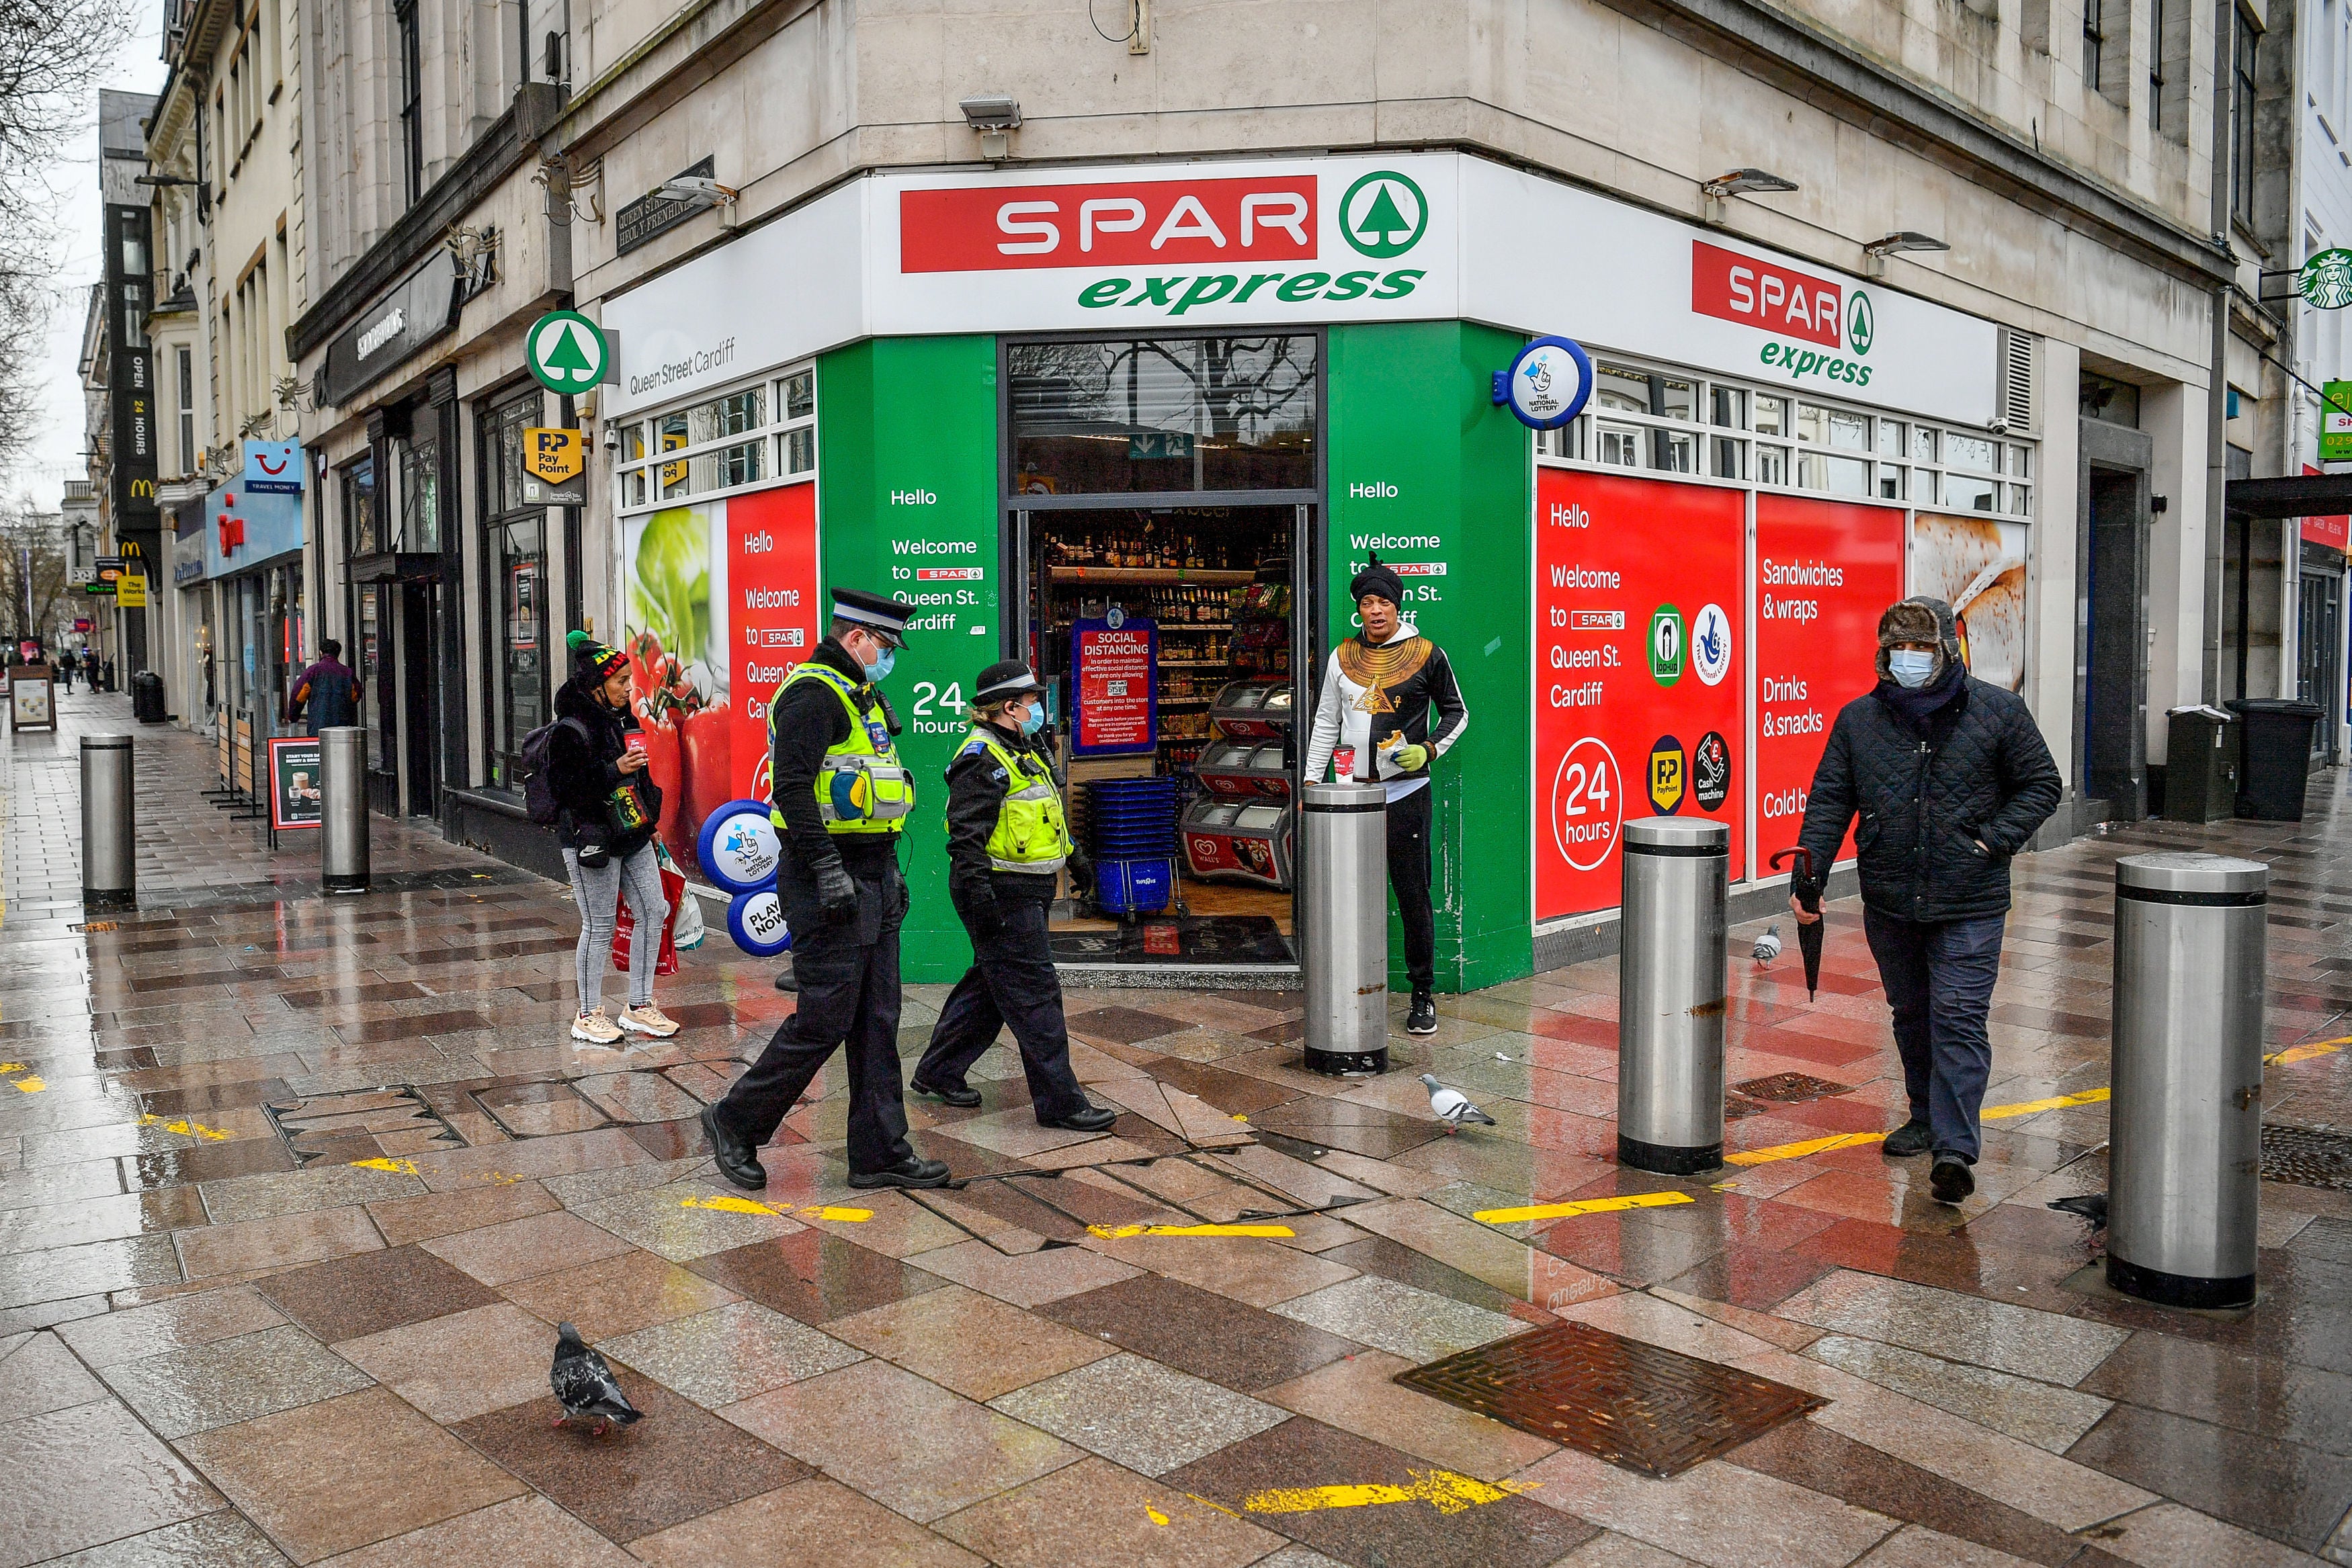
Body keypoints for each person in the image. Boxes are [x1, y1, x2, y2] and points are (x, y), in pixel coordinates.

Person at [1790, 597, 2060, 1205]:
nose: (1907, 659)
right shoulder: (1859, 720)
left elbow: (2042, 784)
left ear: (1947, 652)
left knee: (1958, 1017)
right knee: (1911, 1013)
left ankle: (1955, 1150)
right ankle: (1923, 1116)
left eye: (1920, 648)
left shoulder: (1999, 712)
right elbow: (1831, 799)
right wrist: (1809, 879)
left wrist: (1992, 840)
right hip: (1890, 896)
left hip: (1970, 897)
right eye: (1897, 648)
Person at [701, 588, 949, 1192]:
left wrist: (888, 873)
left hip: (871, 873)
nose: (890, 658)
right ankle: (734, 1120)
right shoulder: (813, 695)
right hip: (826, 880)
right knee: (824, 1020)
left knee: (878, 1019)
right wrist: (827, 867)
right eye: (886, 646)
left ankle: (880, 1152)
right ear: (856, 638)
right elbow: (790, 788)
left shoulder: (860, 695)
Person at [909, 662, 1116, 1130]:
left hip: (1026, 889)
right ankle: (1061, 1104)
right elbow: (966, 840)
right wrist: (982, 898)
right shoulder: (981, 758)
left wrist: (1075, 857)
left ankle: (939, 1071)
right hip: (1001, 892)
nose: (1038, 708)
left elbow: (1046, 816)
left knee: (992, 984)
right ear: (1009, 707)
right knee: (1036, 994)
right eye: (1032, 701)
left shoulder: (1025, 747)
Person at [1301, 554, 1470, 1037]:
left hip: (1405, 794)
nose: (1375, 611)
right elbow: (1326, 722)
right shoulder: (1341, 658)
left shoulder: (1428, 654)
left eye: (1383, 602)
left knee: (1412, 894)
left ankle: (1422, 994)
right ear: (1359, 609)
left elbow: (1457, 713)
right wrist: (1312, 783)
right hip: (1351, 798)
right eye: (1367, 603)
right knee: (1347, 895)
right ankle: (1349, 985)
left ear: (1398, 606)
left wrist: (1429, 749)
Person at [549, 630, 679, 1045]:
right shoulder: (570, 729)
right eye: (621, 681)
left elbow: (641, 779)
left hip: (632, 832)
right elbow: (565, 790)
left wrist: (650, 823)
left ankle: (639, 1005)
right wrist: (614, 770)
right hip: (591, 837)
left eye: (629, 680)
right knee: (599, 924)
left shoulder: (627, 721)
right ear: (597, 685)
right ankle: (587, 1014)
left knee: (654, 911)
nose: (629, 689)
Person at [285, 640, 360, 734]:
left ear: (321, 653)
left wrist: (293, 716)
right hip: (343, 726)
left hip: (318, 725)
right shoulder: (347, 672)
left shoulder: (313, 671)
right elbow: (356, 694)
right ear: (338, 654)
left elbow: (298, 695)